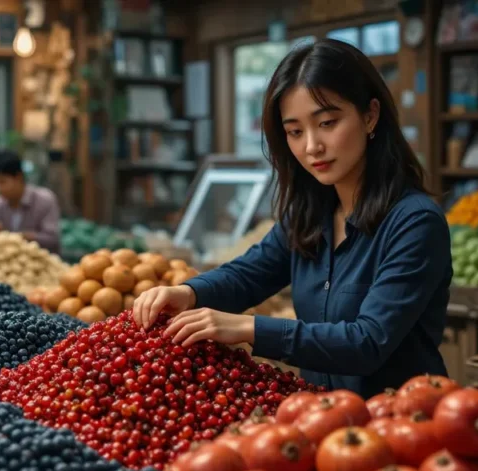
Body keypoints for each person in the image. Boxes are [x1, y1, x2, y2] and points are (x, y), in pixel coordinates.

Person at [133, 39, 452, 398]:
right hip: (320, 423)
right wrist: (189, 292)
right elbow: (249, 275)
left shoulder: (415, 223)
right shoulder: (309, 215)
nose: (312, 146)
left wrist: (249, 328)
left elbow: (368, 342)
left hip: (404, 426)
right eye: (295, 132)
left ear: (370, 115)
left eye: (327, 122)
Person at [0, 149, 61, 253]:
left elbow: (52, 240)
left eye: (2, 182)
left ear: (18, 177)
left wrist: (15, 237)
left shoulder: (44, 200)